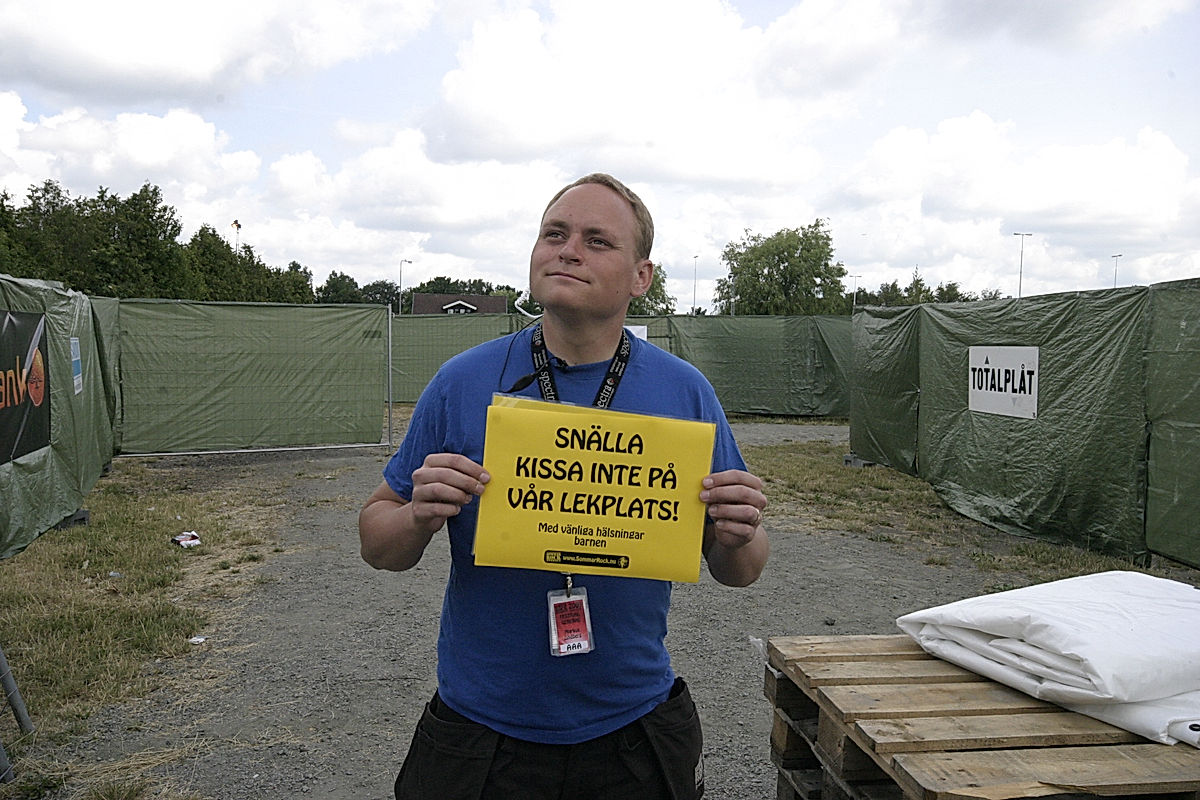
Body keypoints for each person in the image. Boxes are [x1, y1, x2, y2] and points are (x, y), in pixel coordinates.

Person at [359, 173, 769, 800]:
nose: (567, 249)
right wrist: (416, 515)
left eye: (597, 240)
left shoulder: (685, 392)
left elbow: (739, 570)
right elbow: (376, 541)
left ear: (641, 278)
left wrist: (739, 532)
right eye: (554, 233)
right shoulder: (462, 382)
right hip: (480, 733)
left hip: (634, 730)